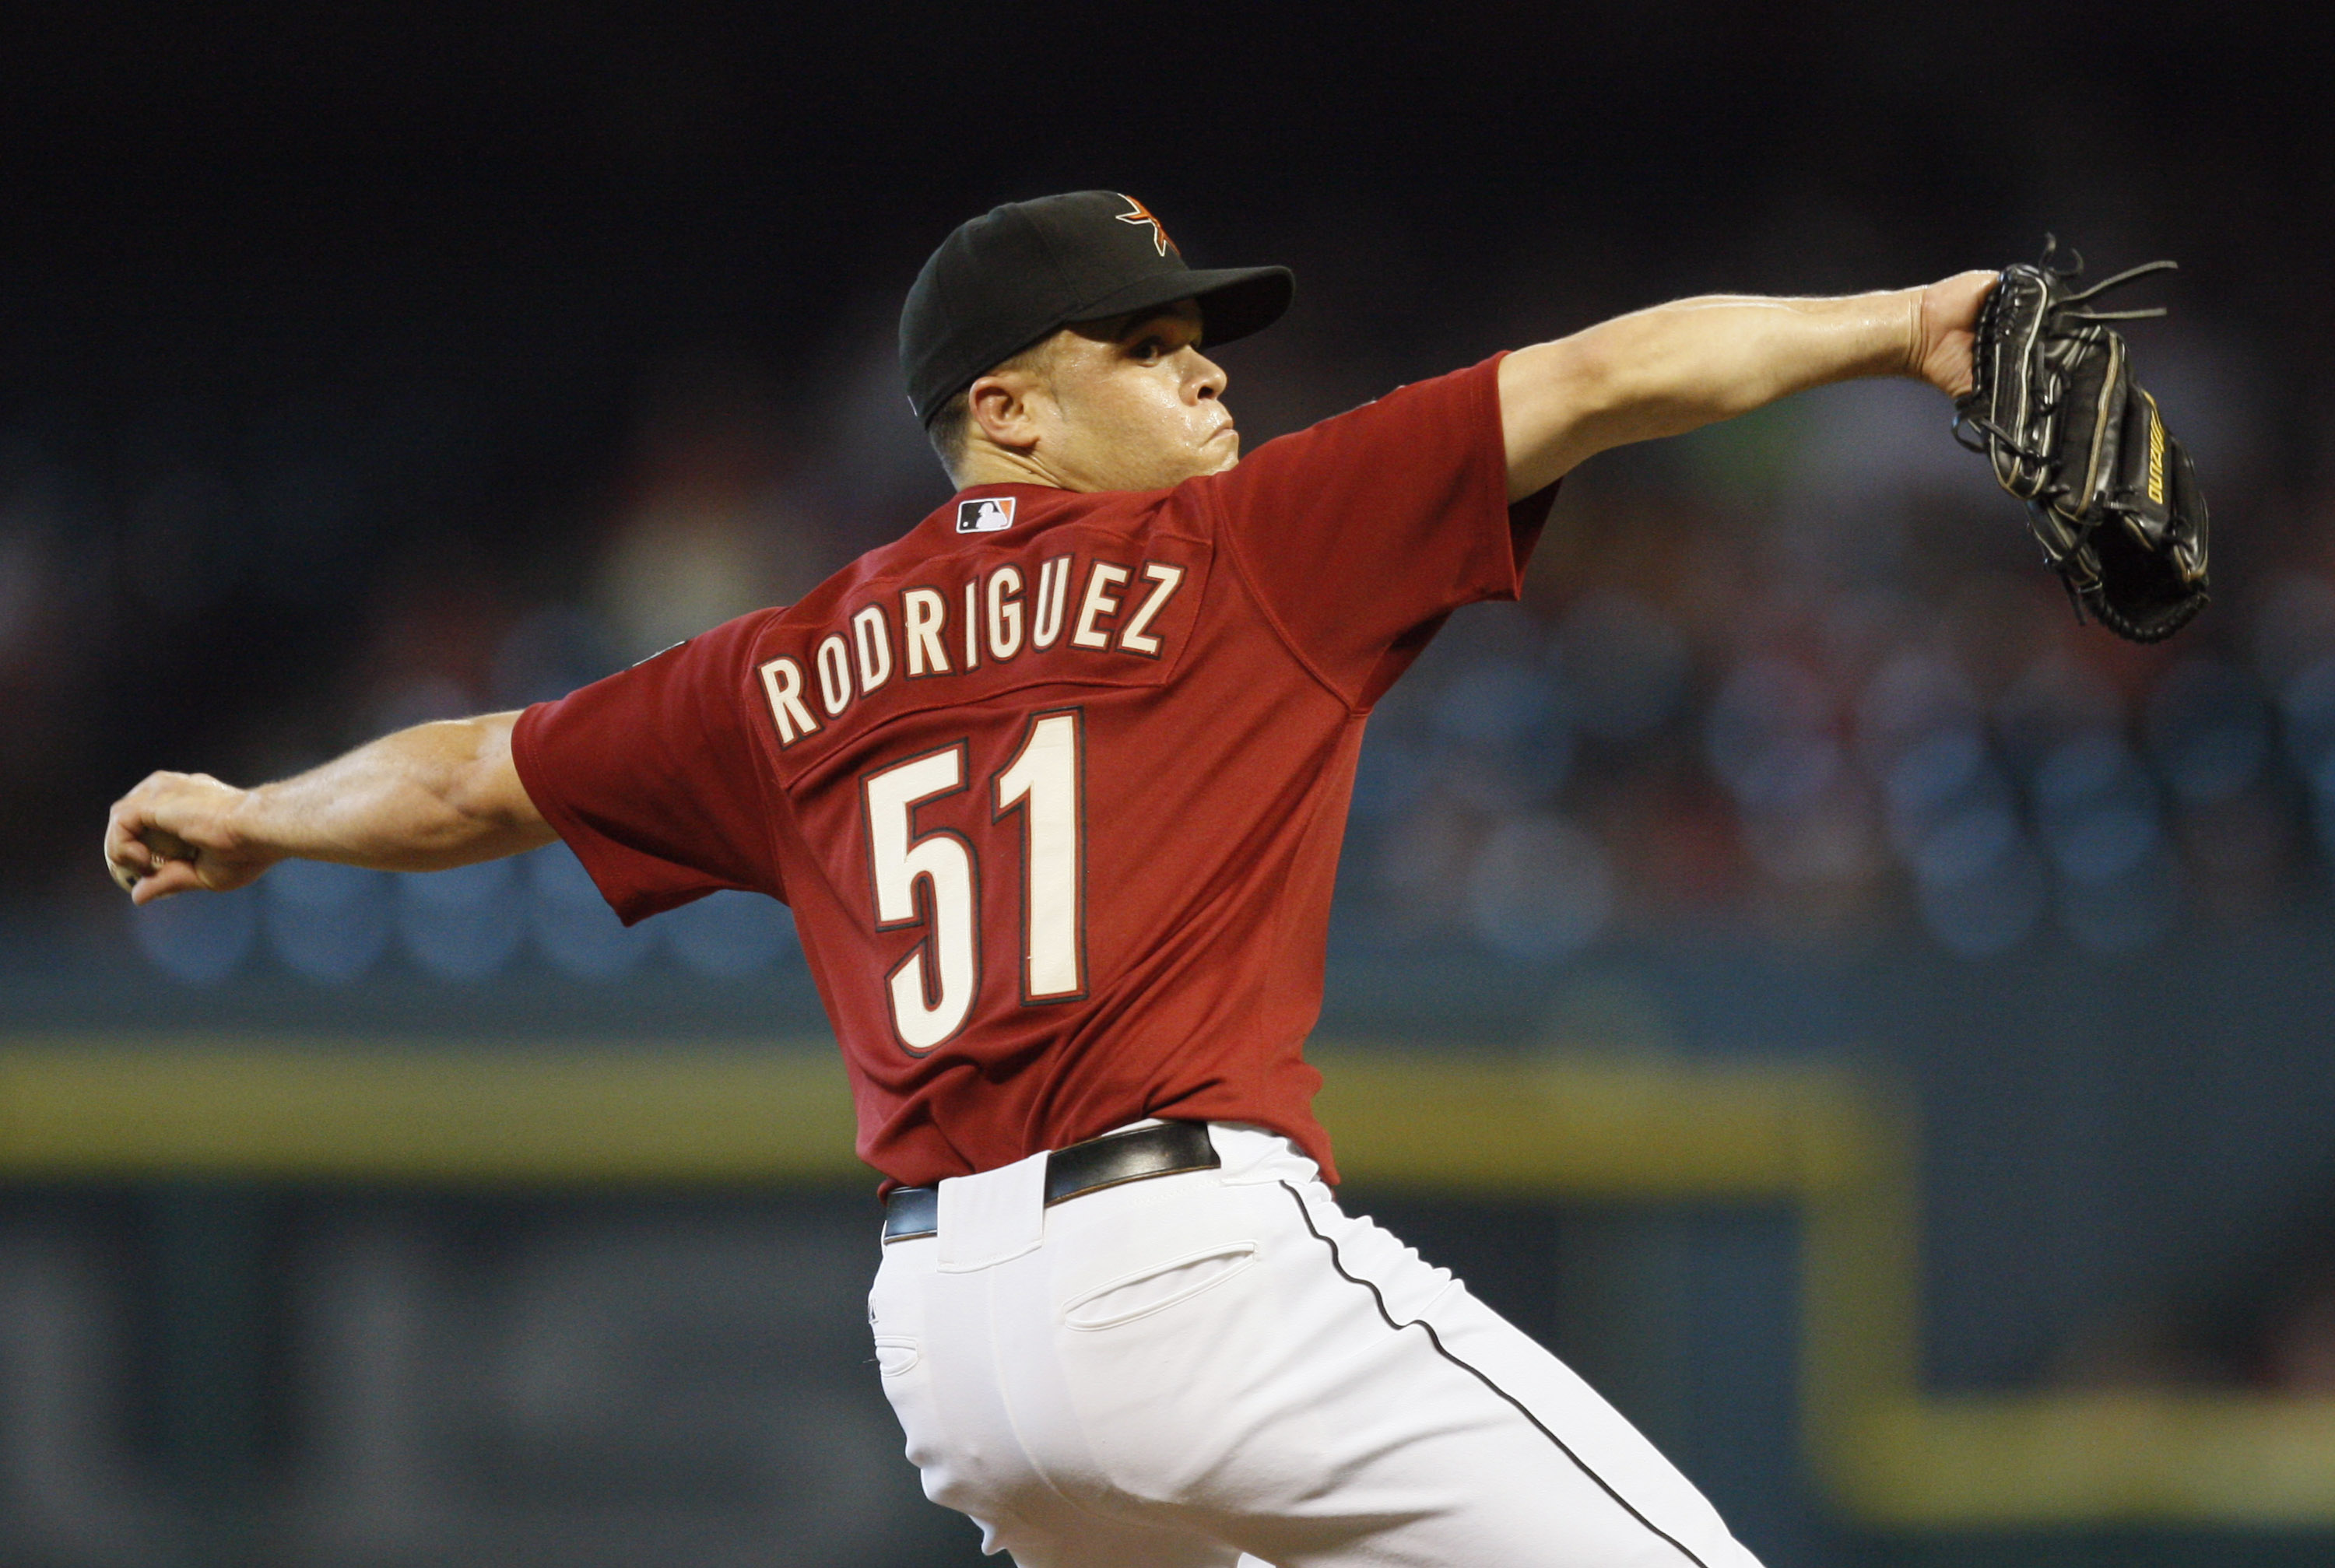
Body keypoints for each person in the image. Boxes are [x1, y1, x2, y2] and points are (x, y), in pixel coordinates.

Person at [106, 190, 1993, 1567]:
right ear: (1007, 410)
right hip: (1192, 1270)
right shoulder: (1242, 549)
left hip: (955, 1352)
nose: (1206, 383)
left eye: (1204, 345)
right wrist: (1906, 323)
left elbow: (466, 774)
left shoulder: (779, 668)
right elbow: (1601, 378)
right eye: (1149, 348)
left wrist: (259, 813)